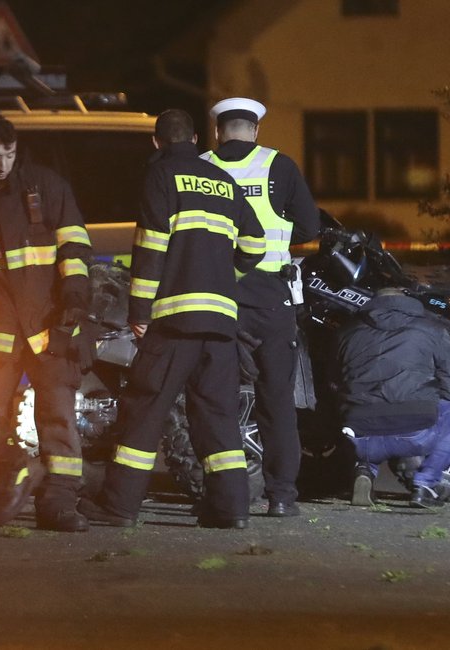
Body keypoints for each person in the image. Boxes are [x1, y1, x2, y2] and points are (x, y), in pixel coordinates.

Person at [78, 108, 265, 529]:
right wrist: (223, 276)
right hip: (220, 323)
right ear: (197, 139)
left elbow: (150, 252)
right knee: (217, 416)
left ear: (156, 142)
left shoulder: (160, 178)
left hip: (174, 321)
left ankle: (119, 506)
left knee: (145, 408)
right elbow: (255, 244)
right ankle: (231, 509)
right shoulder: (222, 180)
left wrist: (140, 312)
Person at [0, 115, 94, 532]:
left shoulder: (46, 187)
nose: (2, 165)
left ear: (18, 150)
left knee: (58, 417)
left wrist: (74, 298)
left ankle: (60, 503)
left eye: (9, 155)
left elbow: (75, 245)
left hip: (48, 321)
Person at [201, 97, 320, 517]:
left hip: (214, 297)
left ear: (218, 131)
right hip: (270, 297)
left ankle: (222, 494)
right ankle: (282, 495)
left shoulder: (199, 167)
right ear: (255, 131)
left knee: (217, 398)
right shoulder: (279, 166)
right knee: (276, 399)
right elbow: (308, 228)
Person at [334, 288, 450, 508]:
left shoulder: (346, 332)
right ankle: (424, 486)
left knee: (363, 409)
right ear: (407, 302)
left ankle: (365, 470)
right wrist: (429, 393)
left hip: (359, 438)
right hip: (416, 434)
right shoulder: (431, 330)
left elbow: (334, 380)